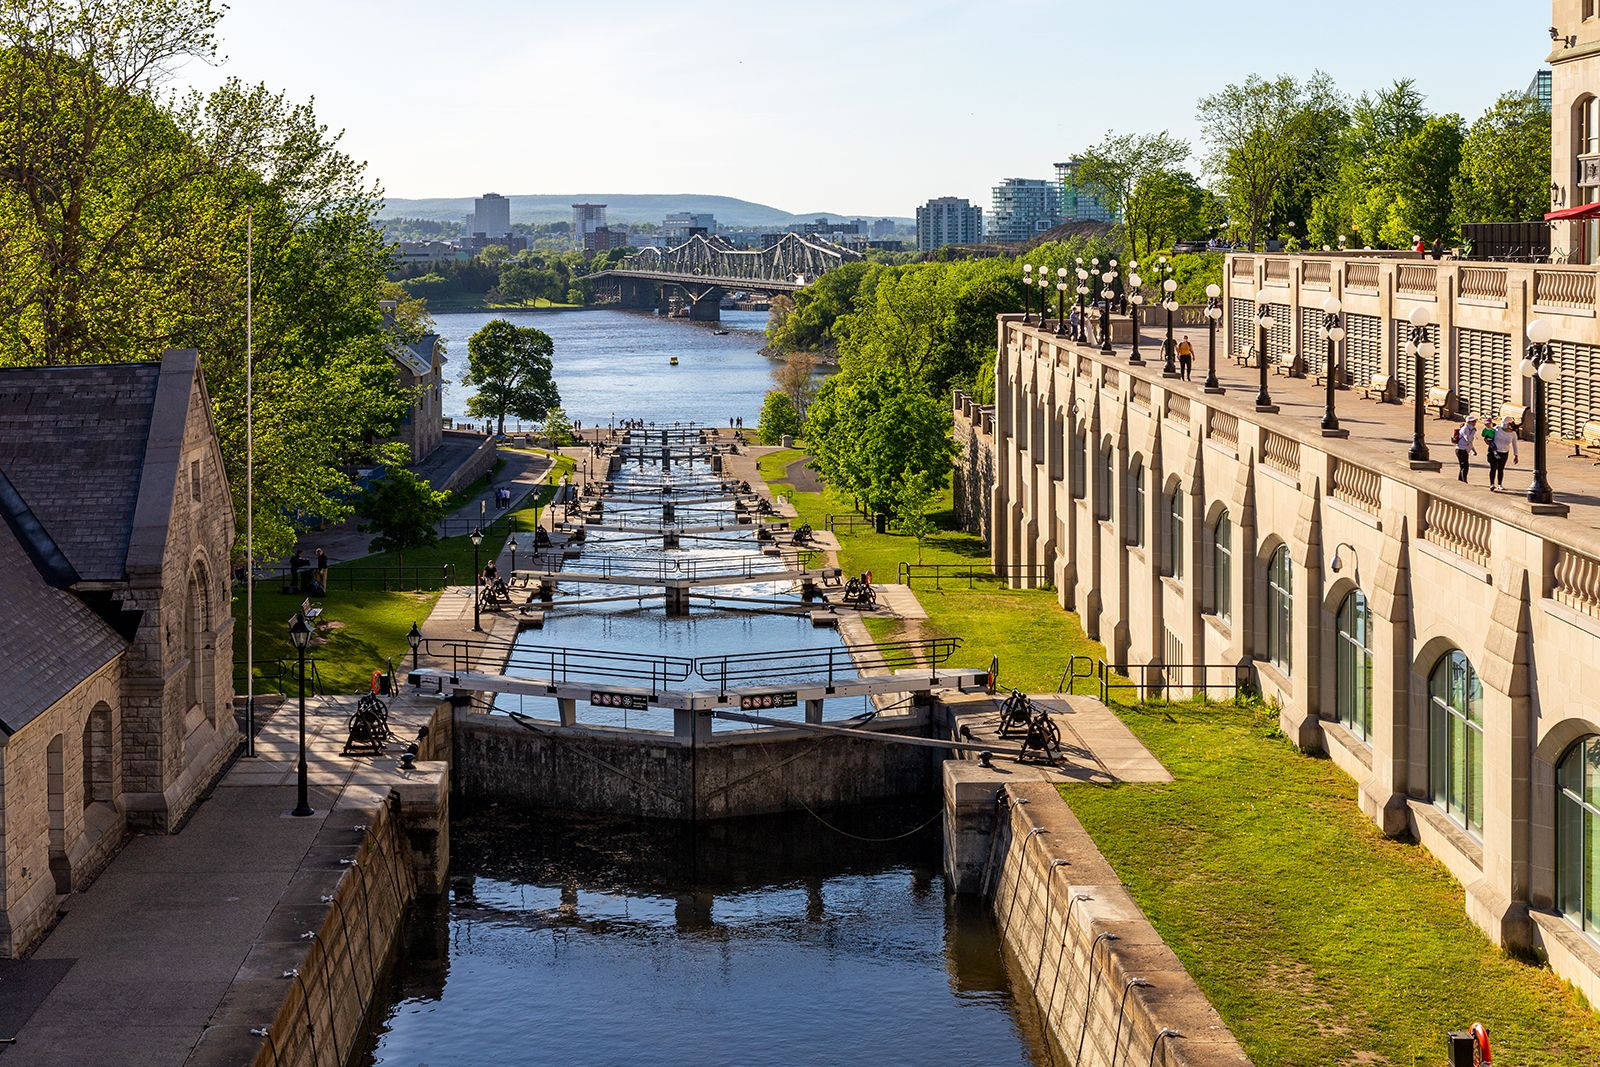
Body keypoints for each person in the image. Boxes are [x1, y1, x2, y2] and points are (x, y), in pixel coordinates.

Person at [1486, 415, 1519, 491]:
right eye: (1503, 423)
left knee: (1501, 469)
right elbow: (1488, 435)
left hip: (1504, 453)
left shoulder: (1513, 434)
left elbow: (1515, 445)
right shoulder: (1497, 429)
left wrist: (1516, 455)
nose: (1504, 425)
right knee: (1493, 468)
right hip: (1494, 452)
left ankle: (1500, 484)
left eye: (1506, 424)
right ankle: (1492, 484)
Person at [1451, 415, 1479, 483]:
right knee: (1465, 466)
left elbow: (1470, 443)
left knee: (1463, 466)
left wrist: (1474, 450)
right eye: (1473, 421)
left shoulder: (1470, 429)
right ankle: (1464, 481)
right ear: (1469, 422)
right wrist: (1473, 432)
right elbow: (1468, 439)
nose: (1475, 423)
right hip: (1461, 450)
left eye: (1475, 421)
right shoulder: (1465, 429)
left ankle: (1460, 480)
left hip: (1464, 450)